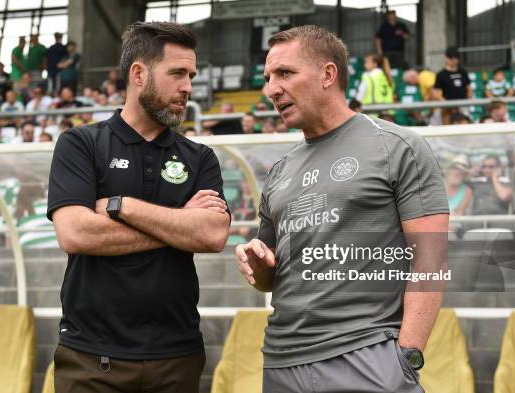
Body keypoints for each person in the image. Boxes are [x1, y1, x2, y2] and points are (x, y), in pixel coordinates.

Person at [236, 25, 449, 393]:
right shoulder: (280, 172)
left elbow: (430, 261)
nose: (271, 89)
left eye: (285, 73)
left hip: (367, 357)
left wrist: (407, 357)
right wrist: (256, 264)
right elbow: (271, 276)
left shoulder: (398, 146)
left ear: (328, 74)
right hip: (282, 362)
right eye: (268, 78)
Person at [47, 21, 230, 392]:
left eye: (191, 75)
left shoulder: (200, 157)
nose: (188, 88)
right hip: (90, 358)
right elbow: (76, 233)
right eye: (177, 73)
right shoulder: (80, 144)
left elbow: (212, 234)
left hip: (177, 356)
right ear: (138, 73)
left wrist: (122, 206)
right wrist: (180, 226)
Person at [432, 46, 472, 124]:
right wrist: (447, 104)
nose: (453, 60)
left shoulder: (463, 72)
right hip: (447, 106)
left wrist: (467, 101)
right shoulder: (441, 74)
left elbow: (469, 89)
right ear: (446, 58)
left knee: (466, 121)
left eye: (455, 58)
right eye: (451, 58)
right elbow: (436, 93)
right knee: (436, 120)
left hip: (462, 104)